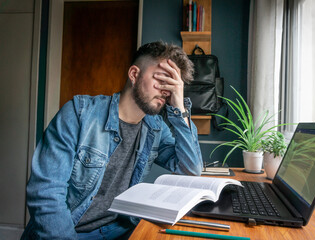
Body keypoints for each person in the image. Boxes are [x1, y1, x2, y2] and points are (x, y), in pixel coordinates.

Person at [21, 41, 203, 240]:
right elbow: (46, 193)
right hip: (72, 233)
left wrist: (179, 107)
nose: (166, 91)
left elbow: (190, 170)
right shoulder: (79, 113)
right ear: (134, 74)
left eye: (172, 86)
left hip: (122, 230)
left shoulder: (156, 127)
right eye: (161, 80)